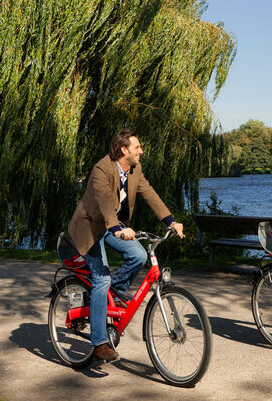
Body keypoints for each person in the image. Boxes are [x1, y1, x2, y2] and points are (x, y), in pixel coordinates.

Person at [64, 129, 185, 363]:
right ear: (124, 150)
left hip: (112, 225)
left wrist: (171, 220)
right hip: (90, 227)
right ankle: (99, 343)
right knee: (101, 278)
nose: (141, 151)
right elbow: (103, 202)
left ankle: (113, 295)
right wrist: (116, 229)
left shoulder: (134, 169)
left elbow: (149, 193)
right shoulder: (102, 169)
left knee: (139, 255)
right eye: (137, 147)